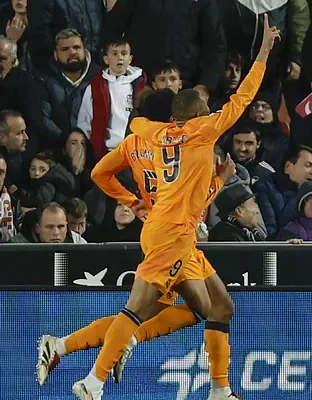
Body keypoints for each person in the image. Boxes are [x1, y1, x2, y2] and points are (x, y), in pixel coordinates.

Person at [68, 15, 277, 400]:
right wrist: (262, 52)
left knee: (219, 306)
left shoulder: (151, 132)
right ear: (197, 114)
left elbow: (137, 128)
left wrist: (210, 181)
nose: (211, 111)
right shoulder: (202, 131)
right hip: (174, 233)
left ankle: (219, 389)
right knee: (136, 309)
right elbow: (242, 98)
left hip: (170, 225)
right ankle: (93, 380)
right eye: (206, 107)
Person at [36, 120, 238, 389]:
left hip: (168, 235)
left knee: (208, 307)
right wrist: (220, 179)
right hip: (173, 237)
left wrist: (132, 201)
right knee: (147, 312)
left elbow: (99, 174)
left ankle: (64, 347)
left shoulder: (134, 144)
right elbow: (195, 200)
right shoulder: (177, 145)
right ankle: (90, 371)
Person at [77, 39, 148, 158]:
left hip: (137, 151)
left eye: (124, 53)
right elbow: (84, 120)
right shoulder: (95, 88)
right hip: (108, 151)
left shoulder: (141, 87)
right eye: (115, 54)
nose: (120, 57)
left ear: (130, 59)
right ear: (106, 59)